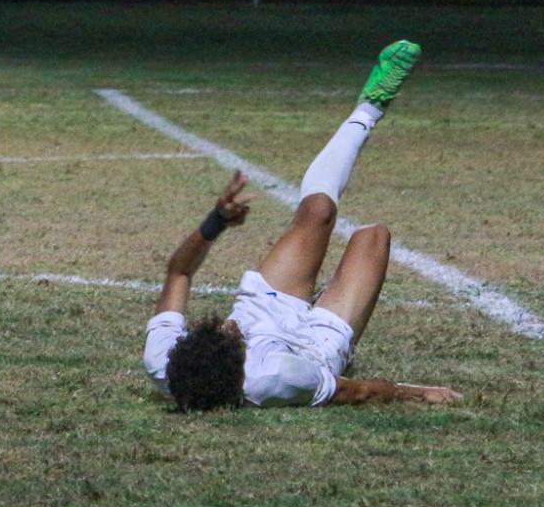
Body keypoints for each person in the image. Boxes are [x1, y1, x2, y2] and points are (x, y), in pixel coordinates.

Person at [144, 41, 460, 410]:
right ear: (239, 373)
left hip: (266, 309)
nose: (228, 325)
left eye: (217, 328)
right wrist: (417, 391)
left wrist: (216, 222)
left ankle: (370, 106)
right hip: (313, 347)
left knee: (319, 212)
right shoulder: (278, 381)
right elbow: (357, 390)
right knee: (372, 236)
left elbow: (179, 271)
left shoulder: (165, 363)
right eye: (230, 336)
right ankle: (326, 302)